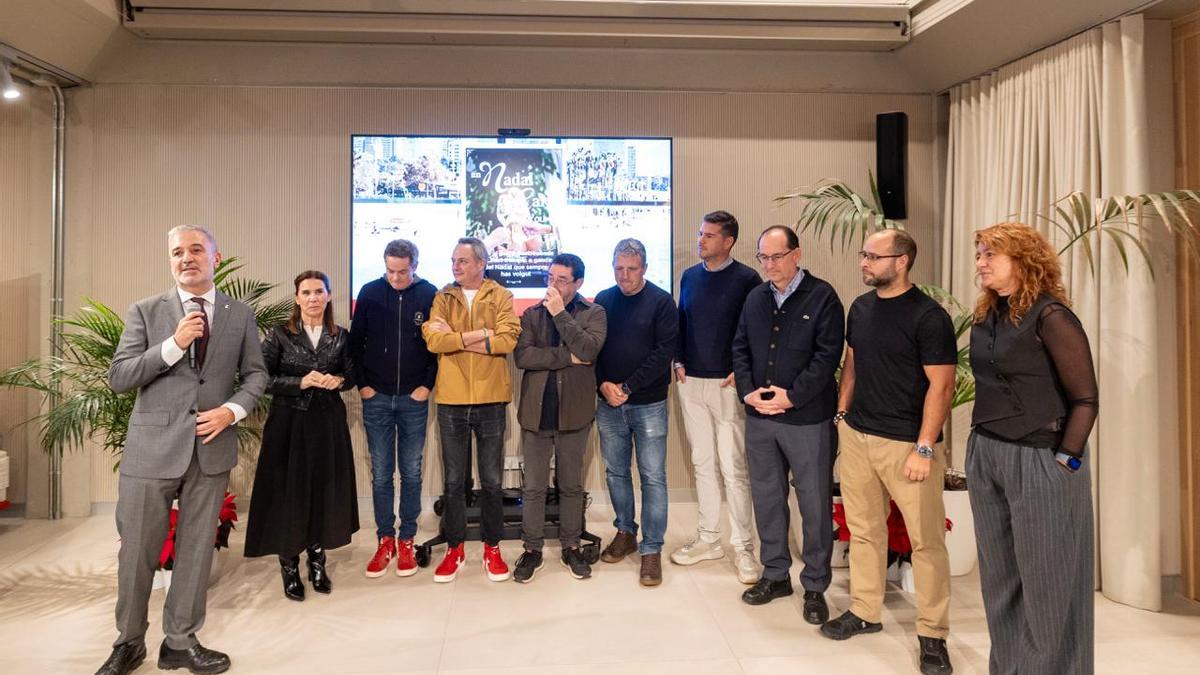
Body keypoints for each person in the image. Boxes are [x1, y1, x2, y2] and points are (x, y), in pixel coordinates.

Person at [98, 225, 268, 675]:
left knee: (194, 552)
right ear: (170, 261)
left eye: (196, 250)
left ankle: (180, 641)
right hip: (151, 450)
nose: (186, 258)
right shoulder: (146, 311)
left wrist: (231, 411)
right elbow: (120, 377)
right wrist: (173, 345)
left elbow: (255, 375)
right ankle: (129, 642)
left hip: (210, 448)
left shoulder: (239, 314)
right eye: (178, 252)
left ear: (216, 256)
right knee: (137, 553)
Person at [820, 230, 956, 675]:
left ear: (901, 261)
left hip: (906, 445)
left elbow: (942, 385)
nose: (864, 262)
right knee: (863, 532)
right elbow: (853, 364)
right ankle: (865, 611)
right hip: (858, 436)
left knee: (926, 543)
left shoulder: (929, 317)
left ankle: (932, 635)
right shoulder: (860, 309)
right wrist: (842, 415)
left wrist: (924, 447)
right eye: (863, 254)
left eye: (873, 256)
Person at [968, 222, 1098, 675]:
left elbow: (1085, 398)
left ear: (1023, 261)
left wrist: (1067, 460)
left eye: (990, 255)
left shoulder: (1052, 317)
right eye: (979, 254)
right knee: (1000, 580)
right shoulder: (988, 315)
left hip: (1041, 458)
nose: (980, 263)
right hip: (986, 453)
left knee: (1049, 584)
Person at [731, 225, 842, 624]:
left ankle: (815, 585)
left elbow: (827, 357)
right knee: (766, 498)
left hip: (807, 418)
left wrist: (791, 397)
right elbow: (739, 347)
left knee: (813, 504)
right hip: (760, 417)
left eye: (776, 256)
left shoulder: (823, 296)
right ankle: (775, 574)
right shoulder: (756, 298)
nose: (769, 265)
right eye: (763, 257)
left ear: (796, 254)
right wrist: (747, 391)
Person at [244, 271, 360, 601]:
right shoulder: (280, 334)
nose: (313, 297)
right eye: (306, 292)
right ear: (297, 298)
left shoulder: (341, 335)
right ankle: (289, 564)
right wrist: (300, 383)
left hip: (327, 423)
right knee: (288, 493)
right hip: (287, 424)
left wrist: (338, 381)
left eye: (319, 291)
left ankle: (318, 560)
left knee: (322, 491)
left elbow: (352, 374)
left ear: (328, 295)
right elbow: (261, 380)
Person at [421, 237, 522, 583]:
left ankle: (492, 548)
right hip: (451, 400)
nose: (456, 267)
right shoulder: (442, 296)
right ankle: (455, 548)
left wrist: (458, 338)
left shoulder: (501, 296)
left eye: (463, 261)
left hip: (492, 400)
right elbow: (434, 341)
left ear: (481, 262)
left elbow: (508, 340)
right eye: (453, 260)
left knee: (492, 481)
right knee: (453, 481)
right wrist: (479, 336)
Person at [671, 210, 762, 584]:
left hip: (728, 385)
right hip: (690, 381)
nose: (701, 240)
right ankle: (709, 539)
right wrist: (677, 360)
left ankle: (744, 548)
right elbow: (682, 321)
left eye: (709, 236)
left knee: (733, 468)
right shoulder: (689, 276)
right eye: (700, 233)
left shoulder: (747, 279)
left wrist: (742, 372)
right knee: (702, 464)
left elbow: (754, 329)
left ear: (728, 241)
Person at [511, 254, 607, 583]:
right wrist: (567, 356)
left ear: (578, 283)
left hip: (574, 414)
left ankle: (570, 546)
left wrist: (560, 315)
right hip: (536, 414)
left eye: (562, 279)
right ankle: (532, 549)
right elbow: (524, 356)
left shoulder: (594, 312)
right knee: (534, 487)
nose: (553, 284)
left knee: (570, 486)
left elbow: (590, 350)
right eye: (550, 277)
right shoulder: (532, 314)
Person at [348, 239, 438, 578]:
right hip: (378, 397)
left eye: (402, 272)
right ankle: (385, 538)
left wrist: (427, 385)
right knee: (382, 472)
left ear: (414, 266)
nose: (396, 278)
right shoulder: (370, 292)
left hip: (414, 398)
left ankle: (408, 539)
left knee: (412, 472)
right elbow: (356, 343)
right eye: (390, 271)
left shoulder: (429, 294)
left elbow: (436, 347)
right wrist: (364, 385)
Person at [594, 238, 678, 587]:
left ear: (644, 268)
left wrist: (626, 388)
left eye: (631, 269)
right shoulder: (602, 300)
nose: (624, 276)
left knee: (653, 477)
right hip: (608, 403)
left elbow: (663, 354)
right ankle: (625, 532)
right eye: (619, 269)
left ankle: (652, 549)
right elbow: (592, 348)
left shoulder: (661, 302)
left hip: (648, 404)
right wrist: (603, 384)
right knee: (615, 473)